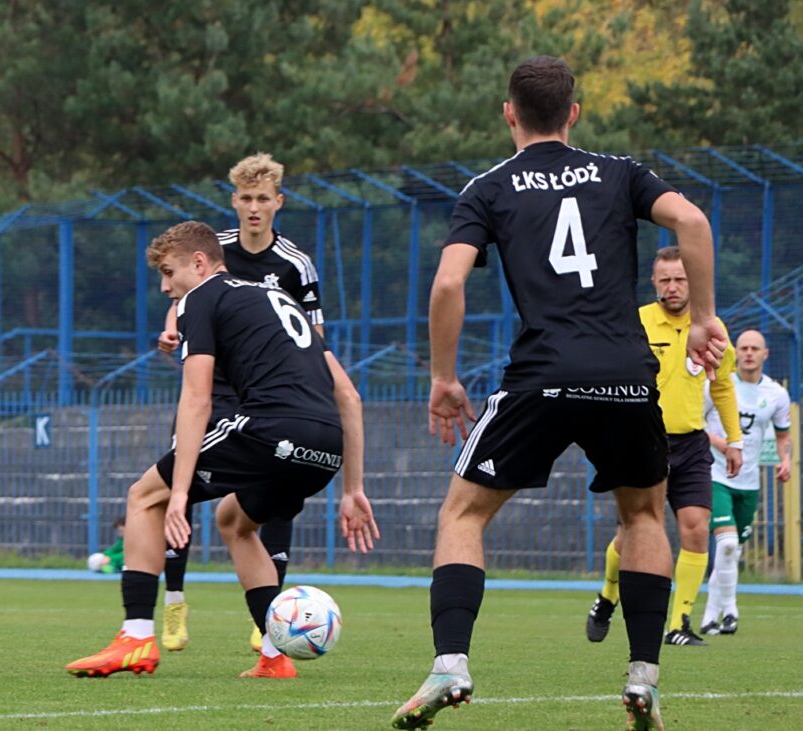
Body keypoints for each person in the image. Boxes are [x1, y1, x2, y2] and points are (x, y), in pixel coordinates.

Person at [389, 56, 724, 731]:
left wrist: (443, 377)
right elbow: (690, 221)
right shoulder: (619, 172)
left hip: (541, 374)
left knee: (462, 514)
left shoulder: (487, 187)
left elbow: (449, 284)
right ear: (572, 112)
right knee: (640, 516)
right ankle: (642, 675)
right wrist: (705, 318)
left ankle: (450, 663)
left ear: (508, 112)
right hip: (626, 376)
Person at [67, 221, 378, 680]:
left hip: (269, 430)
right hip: (325, 446)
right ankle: (274, 656)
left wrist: (177, 493)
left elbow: (197, 399)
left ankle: (135, 638)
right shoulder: (278, 300)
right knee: (234, 522)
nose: (165, 286)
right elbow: (349, 396)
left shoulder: (201, 297)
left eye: (169, 272)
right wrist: (353, 488)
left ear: (199, 263)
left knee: (143, 496)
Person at [156, 153, 325, 653]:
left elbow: (313, 336)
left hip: (268, 400)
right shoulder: (215, 251)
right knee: (171, 484)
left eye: (262, 199)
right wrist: (172, 332)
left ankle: (267, 620)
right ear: (234, 202)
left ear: (279, 202)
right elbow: (184, 297)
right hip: (215, 387)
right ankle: (175, 602)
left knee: (264, 501)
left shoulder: (296, 265)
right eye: (245, 199)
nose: (254, 208)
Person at [585, 246, 741, 648]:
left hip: (691, 443)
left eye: (680, 279)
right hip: (641, 440)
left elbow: (722, 386)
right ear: (653, 281)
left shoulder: (712, 328)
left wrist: (735, 440)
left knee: (697, 529)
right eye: (665, 279)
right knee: (631, 534)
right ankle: (607, 597)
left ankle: (678, 624)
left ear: (693, 281)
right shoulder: (635, 322)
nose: (672, 287)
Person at [699, 329, 791, 635]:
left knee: (732, 550)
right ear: (735, 352)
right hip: (716, 475)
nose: (749, 353)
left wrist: (786, 459)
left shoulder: (776, 394)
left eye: (755, 348)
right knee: (726, 545)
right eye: (743, 348)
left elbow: (782, 435)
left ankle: (711, 617)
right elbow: (695, 422)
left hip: (749, 483)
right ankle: (731, 611)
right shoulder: (719, 385)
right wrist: (721, 444)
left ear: (765, 354)